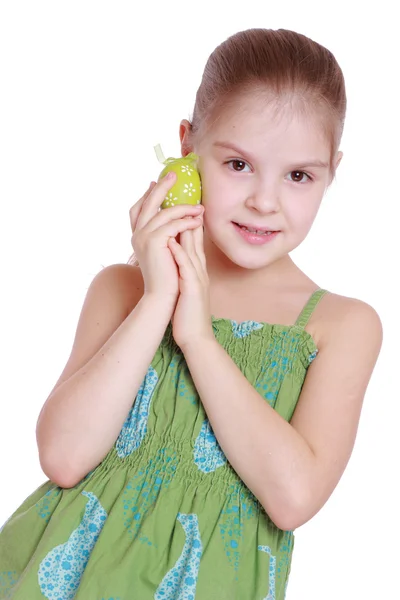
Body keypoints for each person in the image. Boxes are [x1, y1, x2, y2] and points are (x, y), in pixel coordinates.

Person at [0, 28, 382, 600]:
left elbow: (292, 499)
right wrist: (159, 299)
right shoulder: (123, 288)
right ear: (188, 145)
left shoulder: (340, 326)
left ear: (333, 170)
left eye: (298, 175)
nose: (264, 200)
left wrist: (199, 338)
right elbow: (62, 457)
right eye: (237, 165)